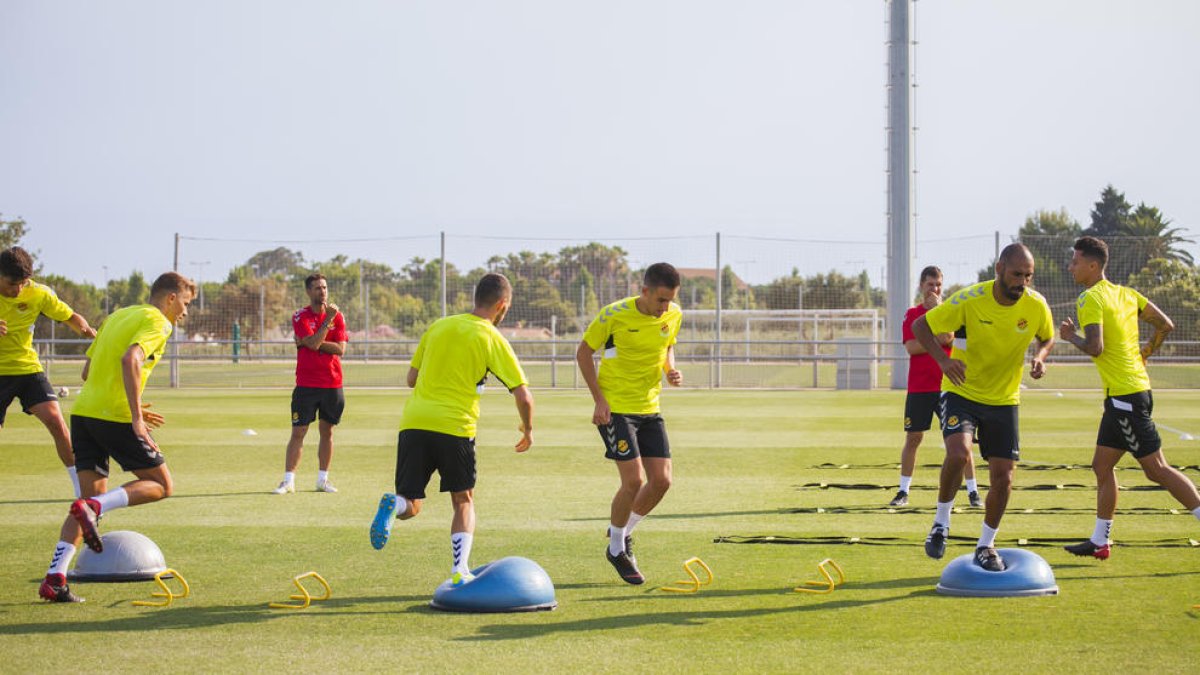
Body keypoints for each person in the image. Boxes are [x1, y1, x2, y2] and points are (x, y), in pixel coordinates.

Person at [38, 272, 194, 602]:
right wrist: (136, 416)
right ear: (169, 298)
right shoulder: (158, 322)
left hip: (83, 413)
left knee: (86, 500)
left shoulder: (117, 315)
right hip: (115, 416)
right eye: (185, 303)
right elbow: (131, 358)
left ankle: (55, 578)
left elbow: (87, 372)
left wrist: (129, 401)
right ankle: (93, 506)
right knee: (162, 485)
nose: (185, 312)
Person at [369, 273, 533, 585]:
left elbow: (411, 379)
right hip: (455, 427)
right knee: (463, 500)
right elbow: (523, 395)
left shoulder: (438, 326)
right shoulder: (491, 336)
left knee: (412, 504)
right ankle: (460, 570)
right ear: (503, 304)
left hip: (414, 423)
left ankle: (396, 504)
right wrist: (528, 429)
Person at [912, 243, 1054, 572]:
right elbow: (922, 326)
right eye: (1017, 274)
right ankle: (941, 523)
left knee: (1004, 478)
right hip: (962, 391)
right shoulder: (970, 299)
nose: (1023, 282)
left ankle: (986, 545)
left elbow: (1047, 337)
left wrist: (1040, 357)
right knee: (959, 454)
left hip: (1004, 399)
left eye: (1028, 276)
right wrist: (943, 363)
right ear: (999, 269)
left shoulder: (1035, 305)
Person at [1059, 236, 1200, 559]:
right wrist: (1147, 351)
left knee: (1157, 469)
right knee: (1101, 465)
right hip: (1126, 395)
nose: (1071, 267)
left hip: (1126, 397)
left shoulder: (1090, 298)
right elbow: (1165, 324)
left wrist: (1070, 337)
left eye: (1076, 261)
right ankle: (1100, 540)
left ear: (1093, 266)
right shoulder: (1127, 294)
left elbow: (1096, 347)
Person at [576, 262, 683, 585]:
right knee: (634, 481)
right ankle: (616, 549)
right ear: (645, 291)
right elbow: (583, 353)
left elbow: (667, 347)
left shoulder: (673, 315)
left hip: (650, 408)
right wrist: (599, 399)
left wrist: (670, 370)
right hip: (616, 409)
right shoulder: (613, 315)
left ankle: (621, 534)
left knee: (662, 481)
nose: (665, 307)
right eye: (661, 300)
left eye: (670, 300)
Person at [0, 246, 97, 498]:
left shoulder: (39, 294)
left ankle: (80, 490)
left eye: (23, 283)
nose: (18, 290)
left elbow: (70, 317)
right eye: (12, 284)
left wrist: (92, 335)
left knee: (56, 421)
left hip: (27, 369)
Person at [891, 265, 980, 508]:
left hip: (947, 387)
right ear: (922, 286)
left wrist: (936, 322)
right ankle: (903, 491)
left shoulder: (948, 311)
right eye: (931, 284)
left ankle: (973, 491)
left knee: (962, 441)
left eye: (938, 284)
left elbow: (948, 337)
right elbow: (911, 347)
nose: (935, 289)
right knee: (913, 438)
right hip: (919, 388)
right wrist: (934, 340)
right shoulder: (912, 314)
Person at [273, 273, 347, 494]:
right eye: (317, 288)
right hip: (306, 385)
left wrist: (311, 342)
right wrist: (322, 332)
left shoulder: (339, 317)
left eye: (324, 287)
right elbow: (314, 344)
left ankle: (322, 480)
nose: (322, 291)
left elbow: (340, 349)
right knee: (299, 432)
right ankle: (288, 481)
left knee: (327, 432)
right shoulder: (300, 316)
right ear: (308, 291)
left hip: (333, 384)